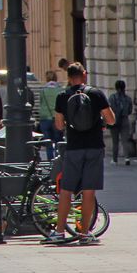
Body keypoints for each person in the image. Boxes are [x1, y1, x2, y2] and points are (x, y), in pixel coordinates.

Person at [44, 63, 114, 245]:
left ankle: (59, 232)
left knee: (66, 190)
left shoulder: (62, 96)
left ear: (68, 77)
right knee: (88, 191)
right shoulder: (96, 94)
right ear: (84, 74)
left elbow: (58, 125)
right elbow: (111, 119)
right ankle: (84, 233)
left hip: (73, 147)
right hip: (94, 147)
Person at [37, 70, 64, 157]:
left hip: (44, 117)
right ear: (56, 78)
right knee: (58, 140)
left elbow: (41, 102)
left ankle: (50, 159)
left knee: (48, 141)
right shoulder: (60, 90)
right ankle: (57, 158)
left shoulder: (43, 90)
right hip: (57, 117)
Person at [108, 79, 134, 165]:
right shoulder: (128, 99)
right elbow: (130, 110)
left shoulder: (112, 98)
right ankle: (127, 158)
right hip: (124, 120)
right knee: (125, 140)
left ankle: (115, 159)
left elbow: (109, 108)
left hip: (114, 120)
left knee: (115, 141)